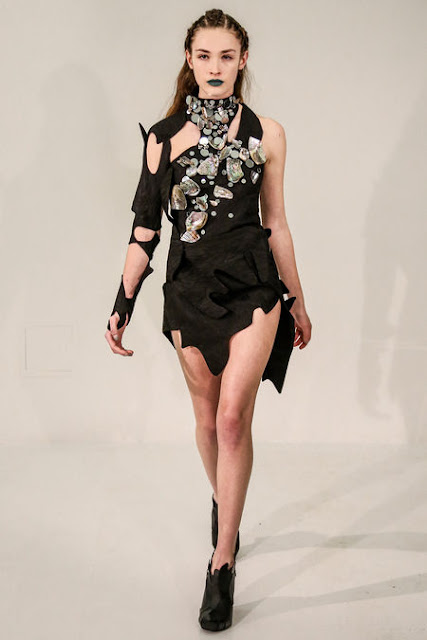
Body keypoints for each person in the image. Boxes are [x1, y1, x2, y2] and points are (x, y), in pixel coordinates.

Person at [105, 8, 311, 632]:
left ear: (243, 61)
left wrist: (298, 299)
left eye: (226, 56)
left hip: (253, 284)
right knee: (205, 416)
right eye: (204, 56)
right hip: (189, 289)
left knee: (231, 417)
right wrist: (122, 302)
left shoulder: (268, 133)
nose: (215, 67)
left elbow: (276, 222)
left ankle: (221, 563)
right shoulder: (163, 137)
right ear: (189, 61)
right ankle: (227, 503)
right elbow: (144, 229)